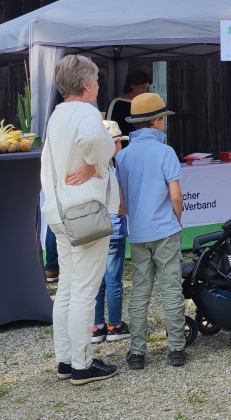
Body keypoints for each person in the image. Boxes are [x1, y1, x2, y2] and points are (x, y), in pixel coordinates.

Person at [40, 54, 119, 386]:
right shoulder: (86, 112)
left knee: (68, 290)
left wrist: (91, 161)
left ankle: (65, 360)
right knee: (84, 292)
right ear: (86, 84)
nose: (99, 85)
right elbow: (94, 141)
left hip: (59, 213)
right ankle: (82, 366)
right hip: (84, 212)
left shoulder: (57, 114)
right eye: (97, 80)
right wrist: (95, 163)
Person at [116, 93, 185, 369]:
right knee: (171, 290)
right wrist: (177, 220)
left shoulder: (123, 156)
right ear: (157, 121)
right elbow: (176, 196)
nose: (164, 123)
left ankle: (137, 353)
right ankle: (176, 349)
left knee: (140, 293)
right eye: (163, 119)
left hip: (139, 233)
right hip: (166, 229)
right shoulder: (166, 152)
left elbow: (121, 204)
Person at [91, 121, 131, 344]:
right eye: (118, 143)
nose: (121, 147)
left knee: (98, 281)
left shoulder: (91, 171)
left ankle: (97, 326)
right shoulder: (113, 172)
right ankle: (115, 325)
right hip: (114, 230)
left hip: (94, 230)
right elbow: (121, 206)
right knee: (114, 281)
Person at [106, 70, 151, 140]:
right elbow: (109, 127)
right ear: (132, 85)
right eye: (142, 87)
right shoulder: (117, 103)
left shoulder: (147, 104)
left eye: (147, 88)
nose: (145, 91)